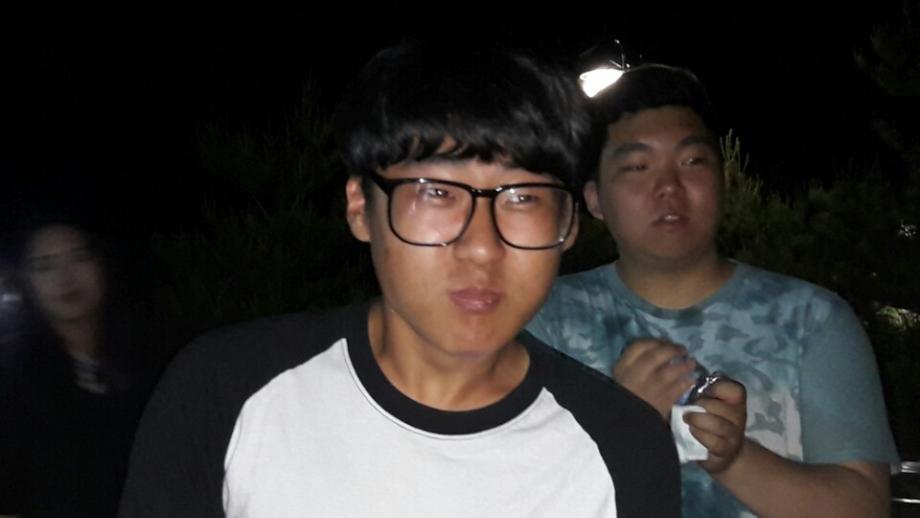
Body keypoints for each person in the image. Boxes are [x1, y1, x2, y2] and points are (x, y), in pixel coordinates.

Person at [117, 40, 680, 517]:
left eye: (523, 198)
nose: (481, 246)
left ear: (568, 224)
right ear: (360, 207)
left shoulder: (623, 447)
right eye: (436, 192)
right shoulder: (224, 390)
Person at [527, 63, 900, 517]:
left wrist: (734, 459)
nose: (668, 187)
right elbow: (503, 494)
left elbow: (864, 506)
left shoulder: (813, 319)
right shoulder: (543, 319)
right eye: (638, 166)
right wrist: (620, 425)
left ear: (724, 179)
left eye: (692, 162)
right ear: (595, 199)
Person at [0, 223, 158, 518]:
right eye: (44, 266)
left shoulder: (156, 359)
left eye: (79, 256)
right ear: (26, 282)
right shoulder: (13, 379)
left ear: (102, 265)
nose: (65, 277)